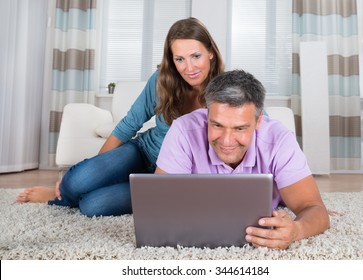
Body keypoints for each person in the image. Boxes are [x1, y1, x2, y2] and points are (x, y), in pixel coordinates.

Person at [16, 17, 224, 217]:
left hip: (169, 176)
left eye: (196, 56)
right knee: (76, 182)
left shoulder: (226, 92)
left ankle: (105, 189)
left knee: (92, 205)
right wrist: (96, 169)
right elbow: (129, 124)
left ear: (211, 53)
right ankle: (59, 196)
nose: (189, 68)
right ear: (172, 60)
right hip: (143, 152)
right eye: (180, 59)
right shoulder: (163, 81)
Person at [155, 70, 330, 250]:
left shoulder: (279, 140)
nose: (226, 141)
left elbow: (315, 209)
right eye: (217, 125)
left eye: (239, 129)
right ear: (207, 114)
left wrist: (297, 230)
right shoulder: (183, 130)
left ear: (259, 121)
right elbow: (160, 205)